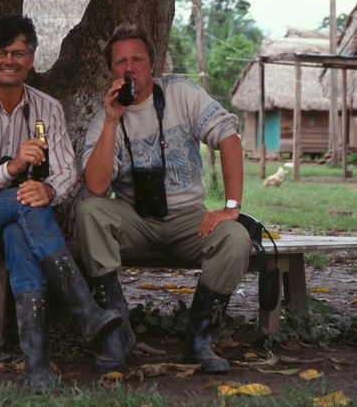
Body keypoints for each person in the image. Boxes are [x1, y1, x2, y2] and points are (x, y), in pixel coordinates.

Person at [0, 14, 122, 391]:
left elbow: (66, 173)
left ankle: (37, 364)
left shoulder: (48, 108)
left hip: (22, 220)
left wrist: (50, 191)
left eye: (20, 53)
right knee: (24, 203)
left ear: (32, 57)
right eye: (1, 52)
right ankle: (86, 311)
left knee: (19, 229)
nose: (10, 60)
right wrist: (12, 169)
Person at [76, 22, 252, 374]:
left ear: (152, 65)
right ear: (111, 70)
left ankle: (199, 337)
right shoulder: (104, 117)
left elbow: (228, 138)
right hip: (135, 219)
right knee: (90, 210)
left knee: (236, 238)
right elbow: (96, 187)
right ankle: (117, 330)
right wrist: (112, 120)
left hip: (188, 218)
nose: (130, 69)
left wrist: (231, 207)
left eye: (137, 60)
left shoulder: (181, 93)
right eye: (121, 62)